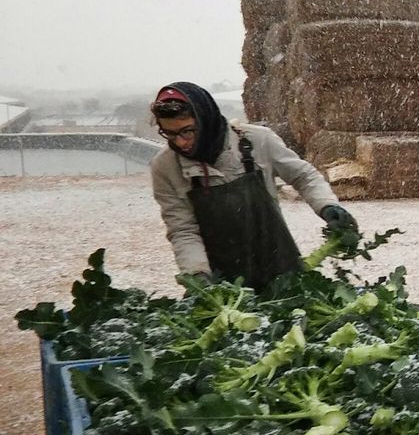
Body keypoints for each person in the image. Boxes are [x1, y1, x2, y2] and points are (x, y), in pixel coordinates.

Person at [149, 81, 357, 290]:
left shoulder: (257, 140)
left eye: (187, 131)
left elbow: (304, 176)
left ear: (204, 119)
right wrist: (198, 275)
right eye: (170, 134)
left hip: (281, 270)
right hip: (223, 284)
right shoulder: (165, 167)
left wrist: (327, 206)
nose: (181, 143)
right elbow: (183, 229)